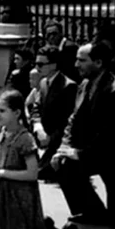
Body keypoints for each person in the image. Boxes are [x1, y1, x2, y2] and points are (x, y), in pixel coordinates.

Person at [51, 42, 115, 229]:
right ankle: (91, 212)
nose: (76, 64)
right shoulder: (84, 85)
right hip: (95, 151)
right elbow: (73, 120)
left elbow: (112, 137)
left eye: (82, 60)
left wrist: (80, 154)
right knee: (64, 164)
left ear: (99, 62)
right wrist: (63, 149)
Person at [0, 90, 79, 229]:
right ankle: (41, 227)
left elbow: (32, 173)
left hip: (19, 196)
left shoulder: (25, 139)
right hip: (0, 195)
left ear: (16, 113)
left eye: (2, 111)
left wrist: (1, 173)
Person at [33, 46, 77, 181]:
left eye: (41, 64)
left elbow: (67, 121)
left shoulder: (68, 86)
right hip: (41, 137)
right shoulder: (43, 82)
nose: (37, 68)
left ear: (53, 65)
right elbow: (36, 107)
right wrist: (38, 126)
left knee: (38, 173)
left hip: (56, 143)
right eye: (36, 63)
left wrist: (50, 138)